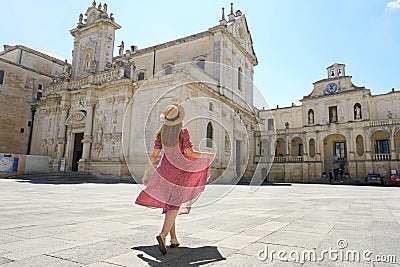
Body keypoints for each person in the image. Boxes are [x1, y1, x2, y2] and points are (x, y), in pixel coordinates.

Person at [135, 104, 215, 255]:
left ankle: (174, 239)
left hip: (163, 171)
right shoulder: (182, 132)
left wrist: (146, 173)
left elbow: (154, 155)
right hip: (180, 172)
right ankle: (163, 234)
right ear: (179, 119)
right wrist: (205, 155)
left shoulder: (160, 134)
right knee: (174, 204)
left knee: (169, 205)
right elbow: (188, 152)